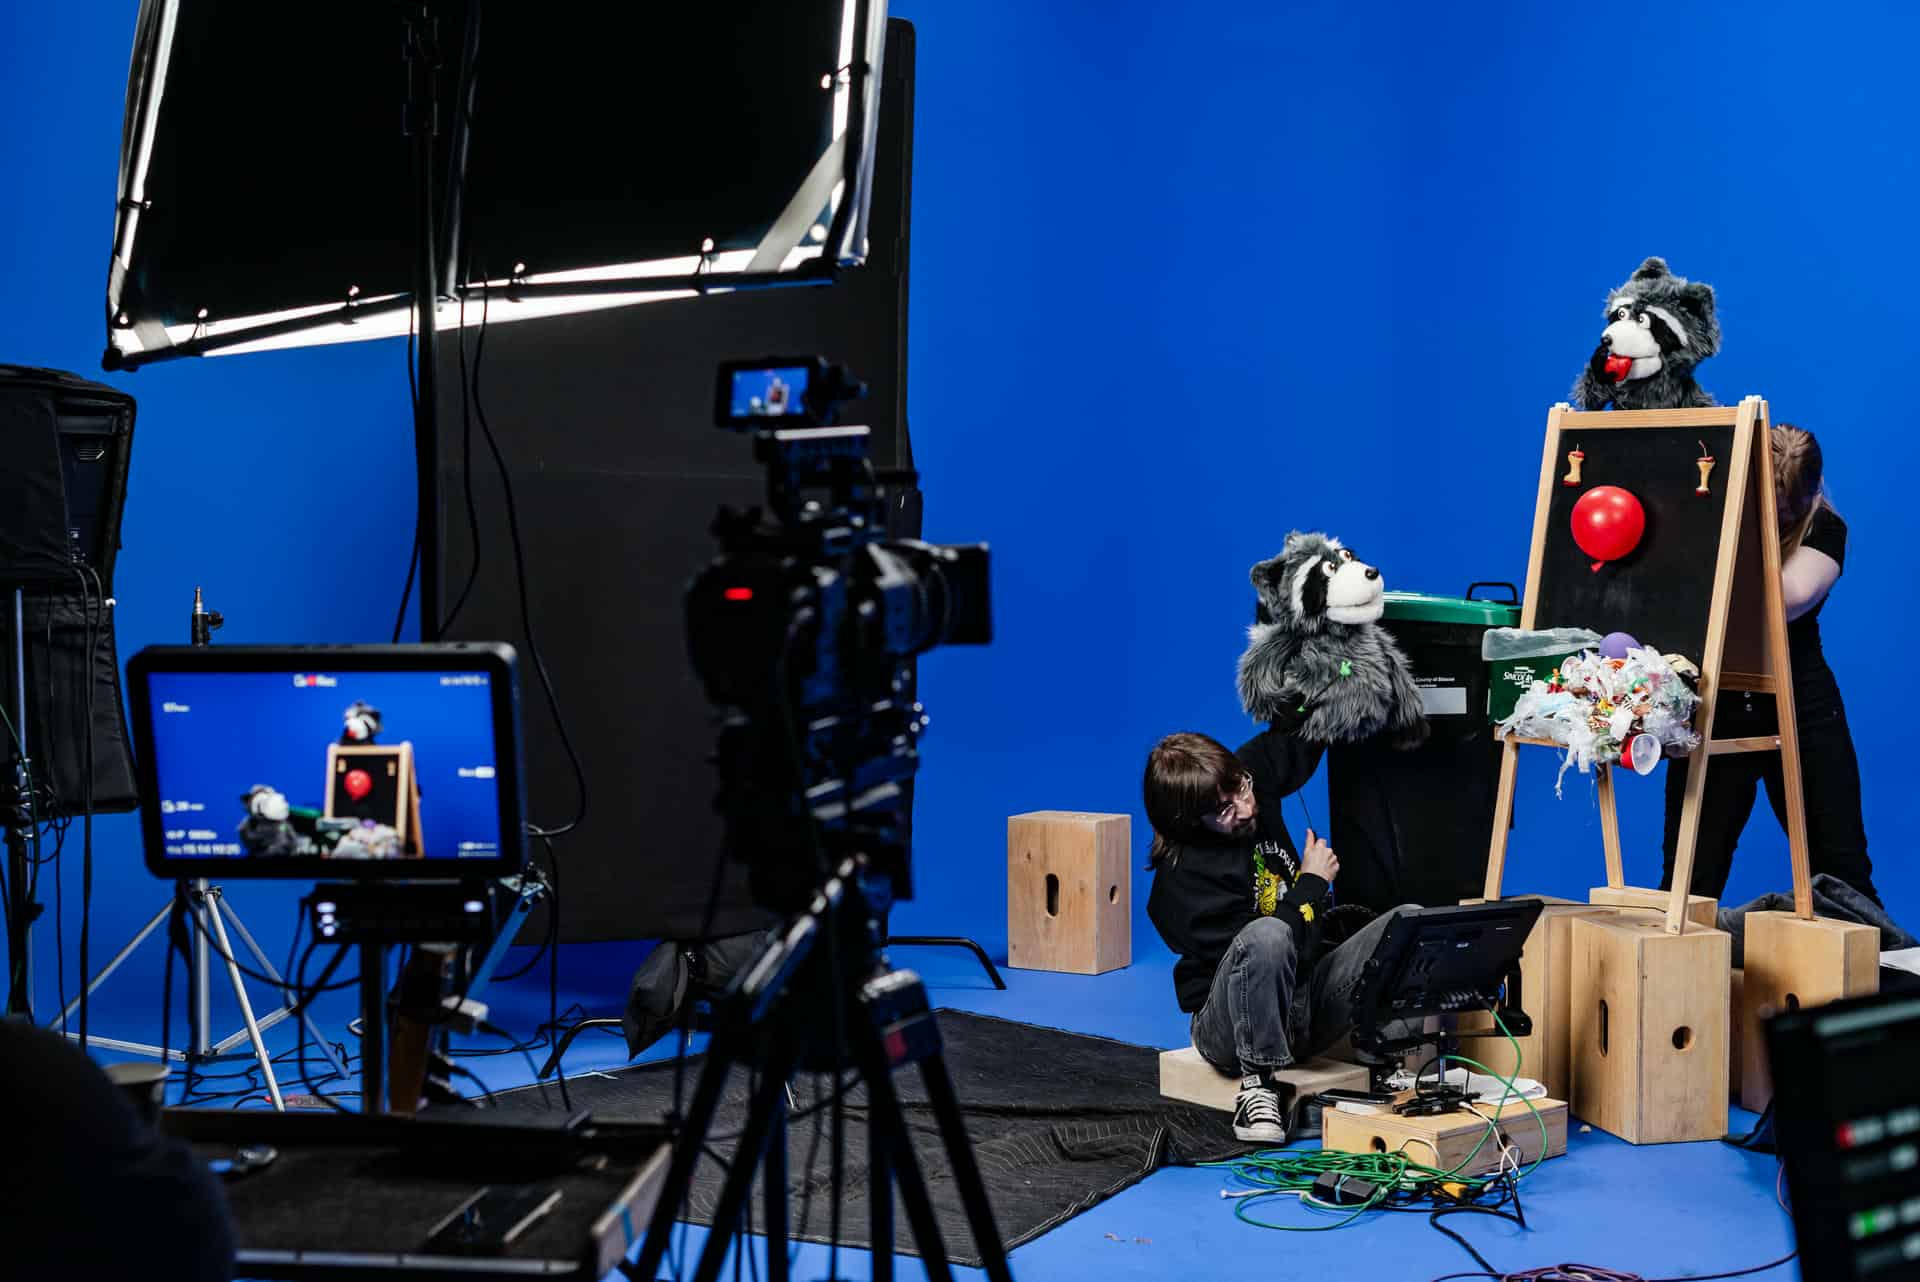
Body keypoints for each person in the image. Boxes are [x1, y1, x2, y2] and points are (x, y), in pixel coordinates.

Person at [1143, 729, 1413, 1143]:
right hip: (1232, 1029)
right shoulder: (1182, 881)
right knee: (1267, 935)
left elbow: (1297, 732)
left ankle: (1384, 1059)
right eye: (1223, 809)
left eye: (1240, 788)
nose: (1245, 807)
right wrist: (1310, 884)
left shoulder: (1248, 784)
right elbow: (1263, 952)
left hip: (1304, 1007)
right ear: (1189, 823)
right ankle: (1258, 1087)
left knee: (1407, 920)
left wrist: (1337, 693)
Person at [1661, 423, 1879, 904]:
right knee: (1688, 882)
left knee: (1843, 877)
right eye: (1770, 508)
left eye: (1787, 513)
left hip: (1801, 707)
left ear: (1812, 494)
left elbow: (1787, 598)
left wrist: (1717, 537)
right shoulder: (1714, 513)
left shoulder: (1826, 527)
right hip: (1719, 707)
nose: (1779, 520)